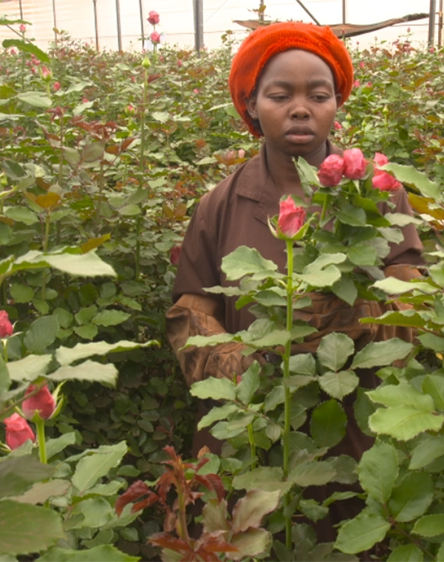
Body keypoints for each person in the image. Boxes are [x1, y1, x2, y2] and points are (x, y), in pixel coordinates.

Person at [165, 21, 425, 535]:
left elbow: (413, 292)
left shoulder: (378, 194)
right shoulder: (220, 203)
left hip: (352, 416)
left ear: (337, 103)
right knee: (249, 529)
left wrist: (356, 321)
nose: (300, 107)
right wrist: (243, 362)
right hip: (251, 427)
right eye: (280, 95)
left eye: (318, 94)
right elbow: (189, 310)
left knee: (346, 528)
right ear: (252, 106)